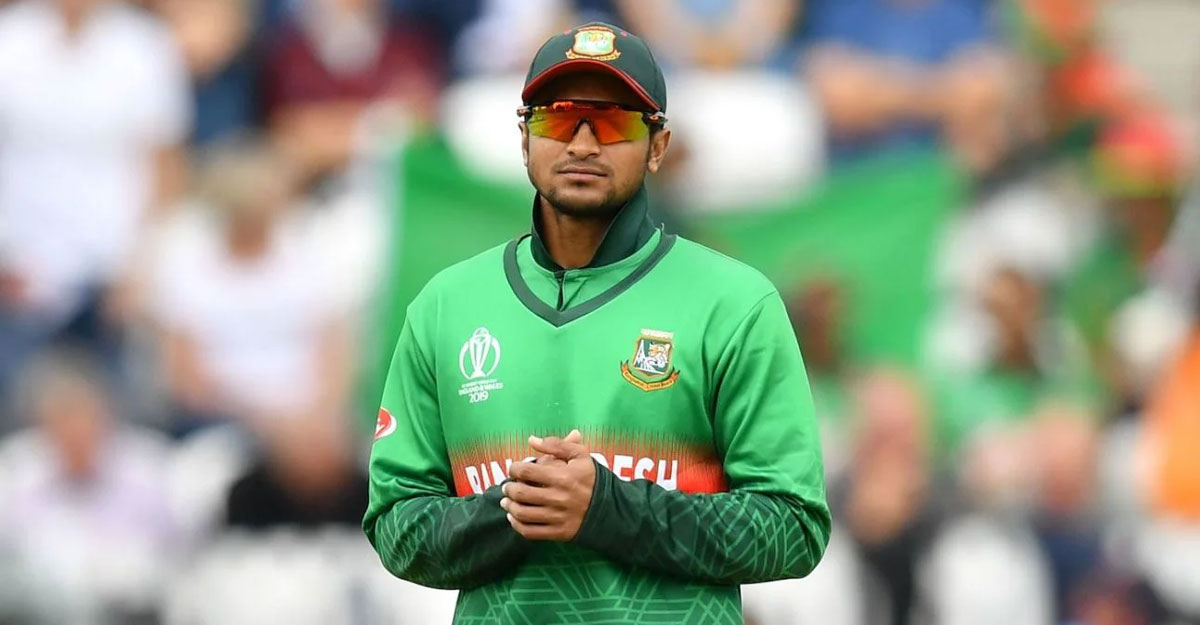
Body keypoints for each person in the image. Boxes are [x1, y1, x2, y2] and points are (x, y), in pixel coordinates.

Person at [363, 22, 831, 623]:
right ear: (525, 139)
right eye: (558, 119)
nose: (583, 144)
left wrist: (608, 506)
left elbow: (794, 527)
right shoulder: (444, 306)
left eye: (613, 124)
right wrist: (520, 508)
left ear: (658, 146)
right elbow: (395, 525)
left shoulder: (735, 303)